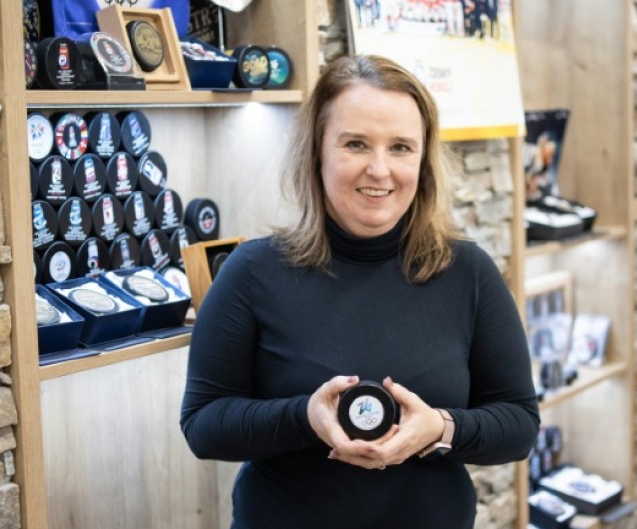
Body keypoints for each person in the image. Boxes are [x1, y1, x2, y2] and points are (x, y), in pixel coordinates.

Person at [180, 54, 539, 529]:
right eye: (355, 144)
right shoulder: (252, 271)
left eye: (401, 148)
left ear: (423, 160)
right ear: (318, 153)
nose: (379, 169)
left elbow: (518, 424)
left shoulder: (467, 272)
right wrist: (303, 418)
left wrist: (441, 428)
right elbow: (203, 426)